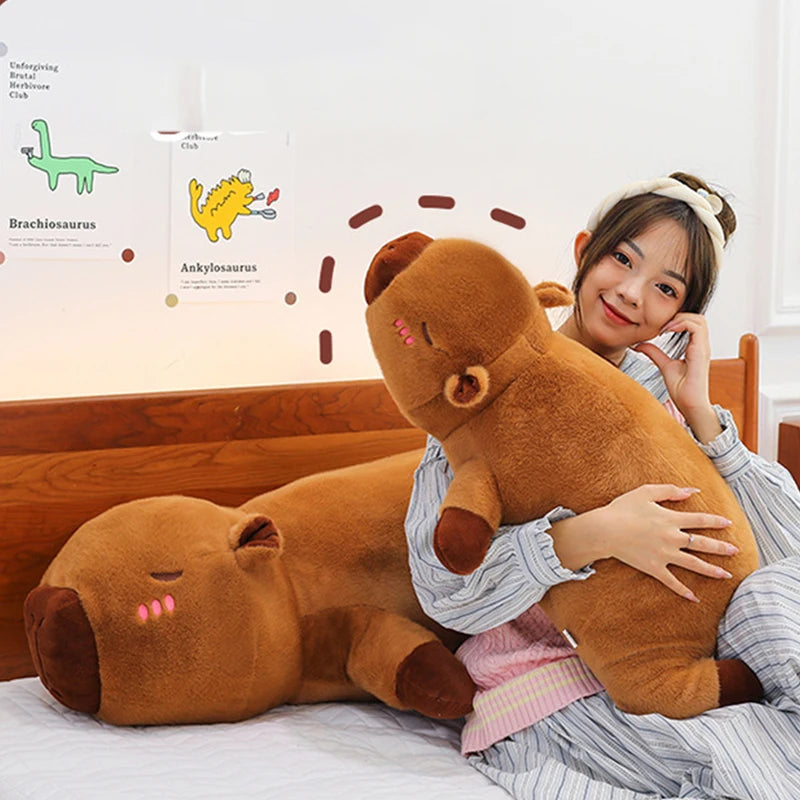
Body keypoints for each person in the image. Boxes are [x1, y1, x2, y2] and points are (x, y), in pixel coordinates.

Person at [405, 172, 800, 799]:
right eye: (622, 259)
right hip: (555, 673)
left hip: (696, 648)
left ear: (681, 317)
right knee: (733, 756)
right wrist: (592, 536)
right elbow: (443, 591)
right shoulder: (485, 392)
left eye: (665, 288)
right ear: (585, 250)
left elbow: (788, 553)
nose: (631, 293)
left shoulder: (665, 399)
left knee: (777, 600)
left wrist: (702, 417)